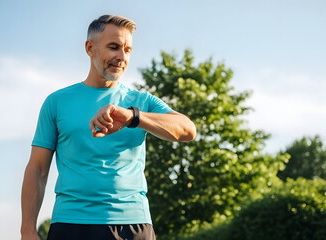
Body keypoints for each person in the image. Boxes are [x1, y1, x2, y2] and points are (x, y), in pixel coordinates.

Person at [21, 15, 196, 240]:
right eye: (114, 47)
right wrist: (27, 229)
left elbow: (187, 130)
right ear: (90, 47)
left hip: (133, 225)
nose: (121, 57)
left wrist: (133, 117)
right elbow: (37, 169)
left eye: (128, 49)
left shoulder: (141, 102)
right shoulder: (56, 102)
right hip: (70, 224)